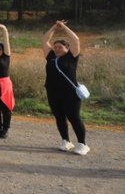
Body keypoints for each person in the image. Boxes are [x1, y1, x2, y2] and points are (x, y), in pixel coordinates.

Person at [42, 20, 89, 155]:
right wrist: (54, 28)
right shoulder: (50, 56)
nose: (56, 49)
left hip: (70, 94)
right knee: (59, 117)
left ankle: (82, 144)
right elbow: (45, 40)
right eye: (55, 47)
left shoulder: (71, 57)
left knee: (74, 117)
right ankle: (66, 141)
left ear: (67, 49)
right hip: (53, 92)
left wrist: (64, 27)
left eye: (60, 47)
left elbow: (76, 40)